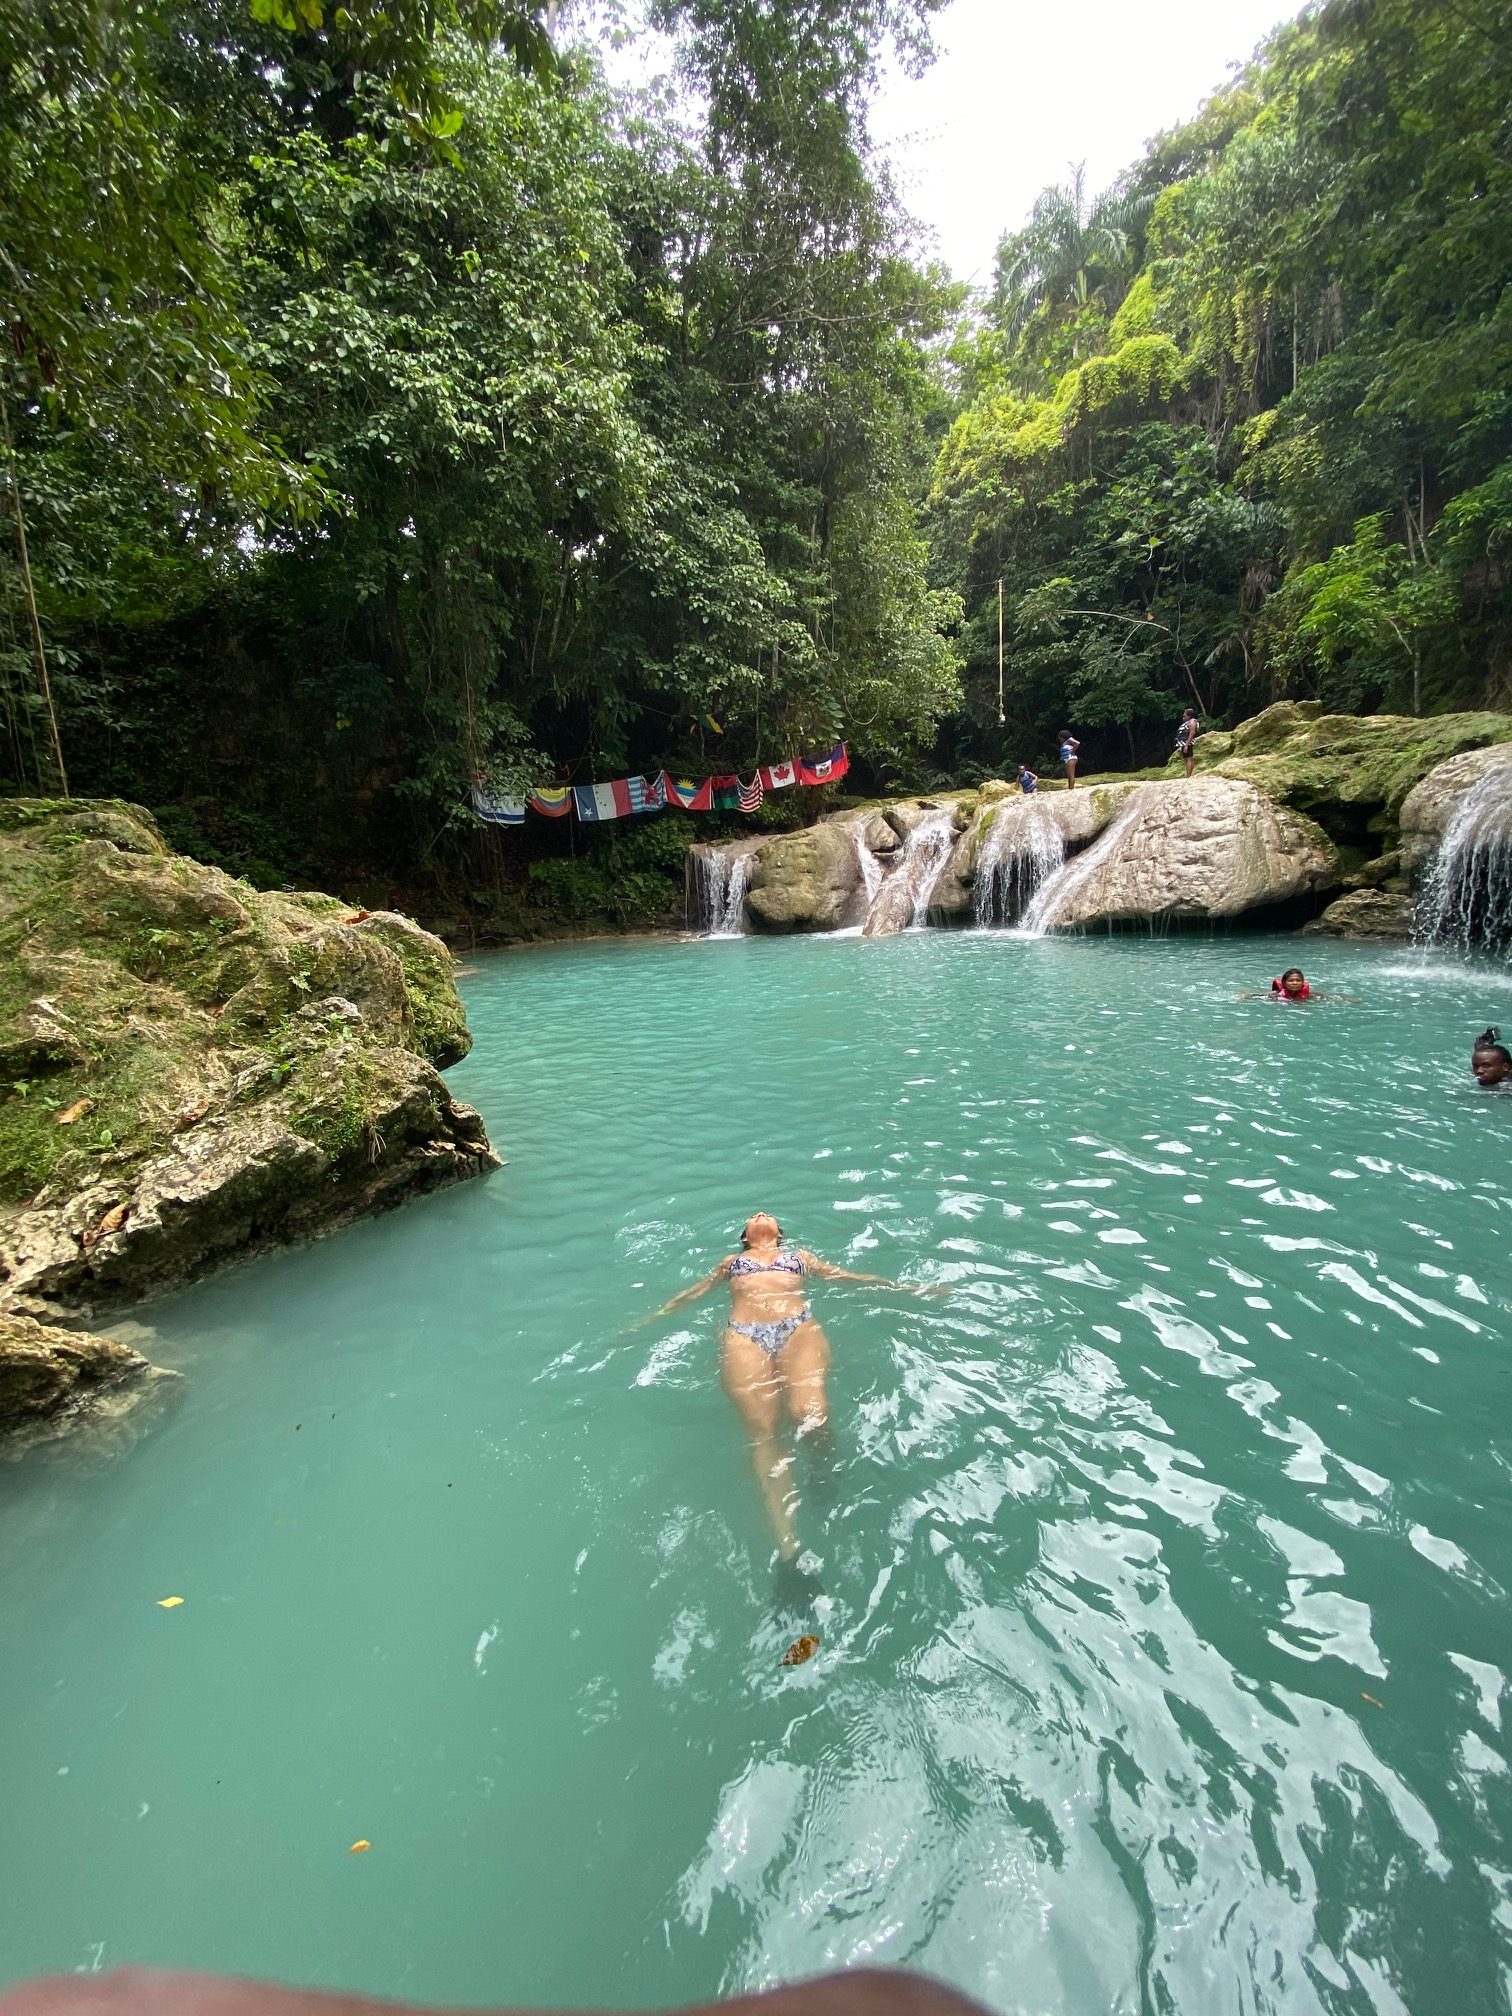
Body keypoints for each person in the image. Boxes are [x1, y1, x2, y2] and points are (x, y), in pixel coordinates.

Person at [652, 1212, 937, 1561]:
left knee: (811, 1413)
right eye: (753, 1217)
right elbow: (693, 1293)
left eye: (766, 1215)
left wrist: (906, 1289)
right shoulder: (730, 1263)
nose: (760, 1214)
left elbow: (846, 1277)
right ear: (745, 1237)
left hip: (796, 1327)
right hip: (743, 1335)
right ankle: (789, 1550)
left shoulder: (800, 1258)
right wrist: (653, 1319)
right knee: (763, 1431)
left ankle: (820, 1466)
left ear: (779, 1233)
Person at [1175, 707, 1199, 778]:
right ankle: (1189, 775)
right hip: (1185, 743)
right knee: (1188, 758)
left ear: (1189, 716)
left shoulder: (1192, 722)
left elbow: (1192, 733)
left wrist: (1186, 745)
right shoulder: (1189, 722)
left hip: (1187, 743)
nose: (1183, 718)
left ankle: (1188, 776)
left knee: (1188, 758)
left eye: (1184, 716)